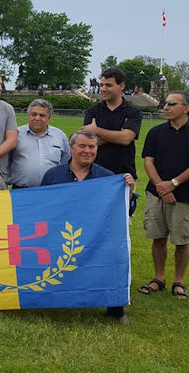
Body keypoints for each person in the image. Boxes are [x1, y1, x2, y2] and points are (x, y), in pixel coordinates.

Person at [41, 130, 136, 324]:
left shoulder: (107, 177)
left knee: (112, 258)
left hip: (95, 235)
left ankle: (115, 308)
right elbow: (42, 207)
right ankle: (48, 297)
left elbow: (123, 211)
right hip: (61, 233)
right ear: (72, 148)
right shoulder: (53, 175)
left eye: (92, 147)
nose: (87, 151)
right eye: (82, 146)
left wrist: (129, 191)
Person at [139, 91, 189, 299]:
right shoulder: (156, 132)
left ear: (186, 108)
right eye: (165, 104)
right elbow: (148, 162)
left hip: (185, 195)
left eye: (171, 104)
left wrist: (174, 184)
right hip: (156, 193)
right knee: (158, 237)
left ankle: (179, 281)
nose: (166, 107)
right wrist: (161, 187)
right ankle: (158, 278)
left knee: (181, 240)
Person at [82, 67, 143, 180]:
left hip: (124, 176)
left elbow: (125, 139)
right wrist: (118, 134)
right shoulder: (92, 111)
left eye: (108, 85)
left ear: (121, 86)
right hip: (94, 174)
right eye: (102, 85)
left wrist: (96, 130)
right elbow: (89, 142)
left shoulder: (133, 112)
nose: (103, 89)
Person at [9, 99, 71, 189]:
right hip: (21, 191)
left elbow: (66, 163)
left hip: (51, 191)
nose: (37, 118)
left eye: (42, 115)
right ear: (28, 116)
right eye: (33, 114)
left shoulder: (60, 136)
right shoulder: (16, 134)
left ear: (49, 118)